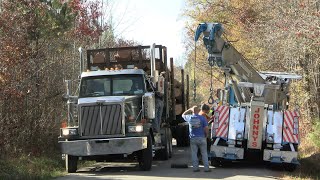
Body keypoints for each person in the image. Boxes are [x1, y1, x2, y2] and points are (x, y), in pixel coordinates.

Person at [182, 106, 210, 172]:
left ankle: (195, 168)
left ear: (192, 111)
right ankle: (206, 168)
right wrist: (206, 135)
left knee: (194, 153)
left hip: (193, 138)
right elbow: (206, 128)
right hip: (202, 138)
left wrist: (189, 109)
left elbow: (183, 115)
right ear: (198, 111)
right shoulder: (203, 118)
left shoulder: (189, 117)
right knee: (204, 153)